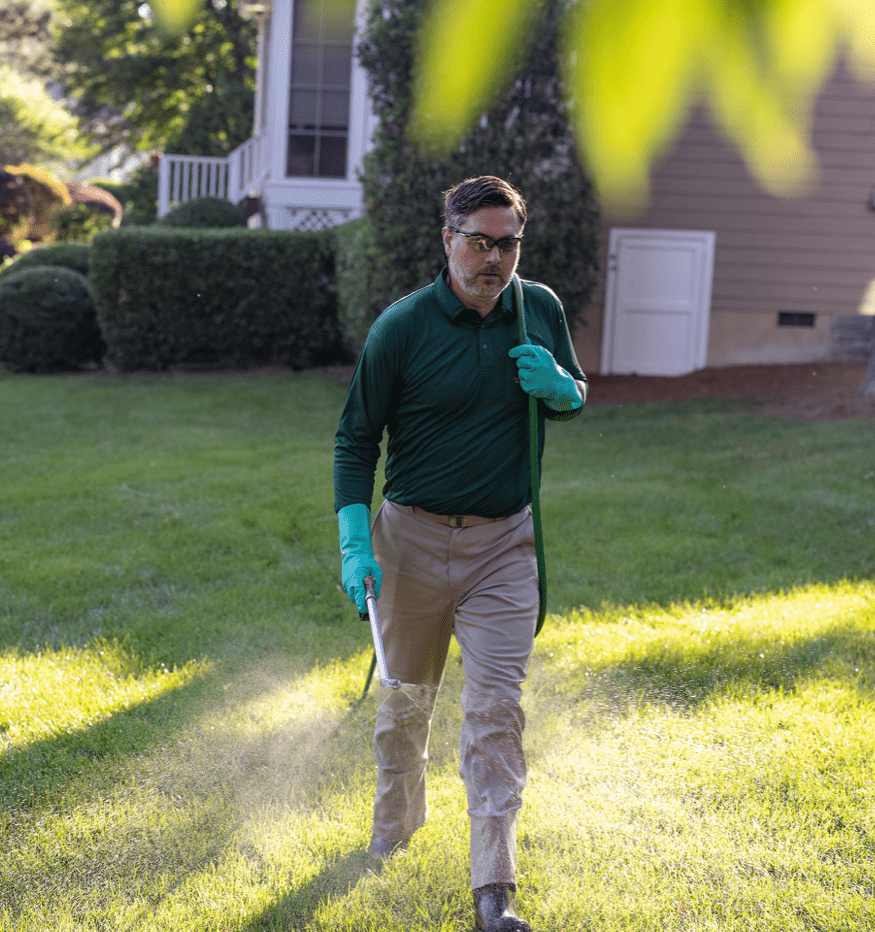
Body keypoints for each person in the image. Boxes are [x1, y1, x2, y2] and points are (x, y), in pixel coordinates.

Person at [333, 175, 586, 932]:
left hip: (505, 543)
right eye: (479, 241)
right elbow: (355, 439)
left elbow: (575, 394)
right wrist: (355, 543)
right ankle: (394, 831)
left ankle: (494, 892)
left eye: (508, 242)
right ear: (447, 239)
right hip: (408, 541)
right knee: (405, 706)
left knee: (496, 711)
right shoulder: (402, 328)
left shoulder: (538, 308)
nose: (495, 258)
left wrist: (563, 388)